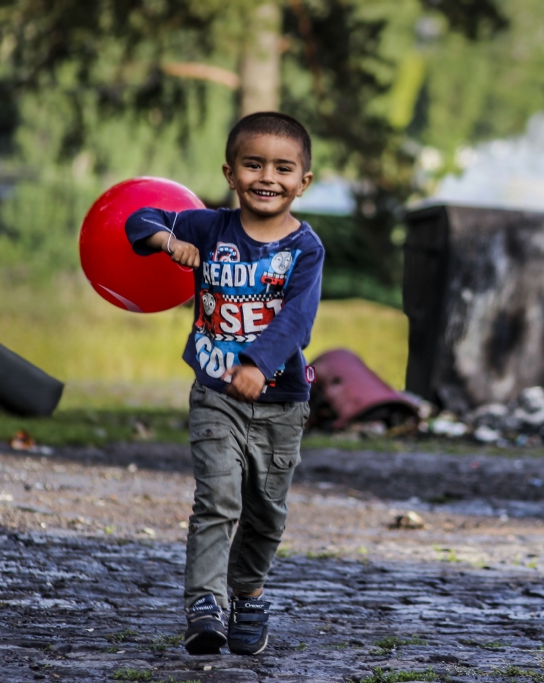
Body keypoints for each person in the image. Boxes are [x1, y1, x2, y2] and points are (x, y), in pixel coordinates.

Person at [125, 111, 323, 656]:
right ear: (230, 172)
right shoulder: (208, 227)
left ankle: (250, 592)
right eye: (253, 163)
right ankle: (205, 606)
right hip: (215, 394)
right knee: (217, 498)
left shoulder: (305, 249)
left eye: (283, 168)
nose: (267, 176)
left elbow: (297, 320)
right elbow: (136, 220)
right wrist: (167, 239)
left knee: (266, 513)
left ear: (303, 182)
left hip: (281, 403)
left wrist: (259, 364)